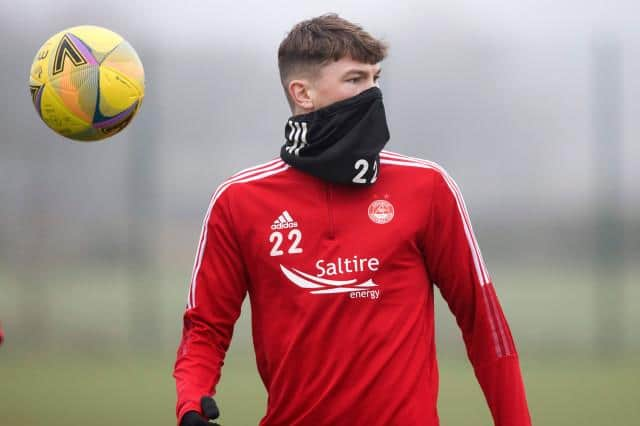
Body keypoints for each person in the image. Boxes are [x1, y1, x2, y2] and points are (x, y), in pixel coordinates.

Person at [174, 13, 531, 426]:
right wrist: (191, 401)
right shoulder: (238, 201)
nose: (373, 94)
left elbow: (484, 324)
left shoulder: (427, 188)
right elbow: (205, 329)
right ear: (302, 93)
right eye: (355, 80)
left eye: (376, 79)